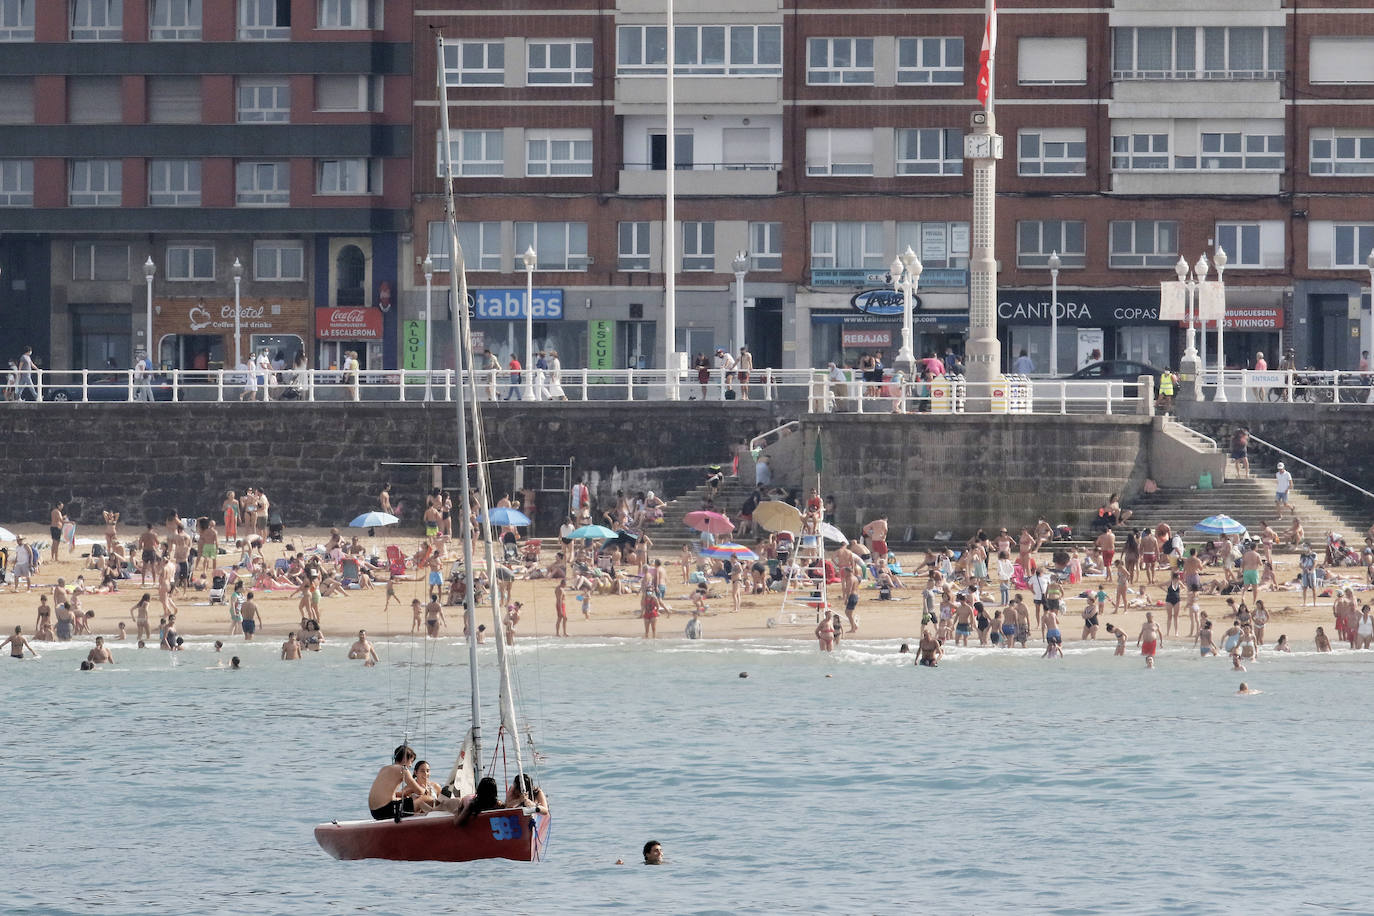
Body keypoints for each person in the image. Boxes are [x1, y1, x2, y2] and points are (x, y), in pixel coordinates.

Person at [368, 744, 430, 822]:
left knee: (408, 799)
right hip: (385, 811)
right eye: (411, 761)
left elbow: (388, 795)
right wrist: (424, 789)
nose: (410, 765)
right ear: (405, 759)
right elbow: (419, 791)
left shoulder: (384, 768)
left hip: (375, 812)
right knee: (426, 799)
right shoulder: (403, 769)